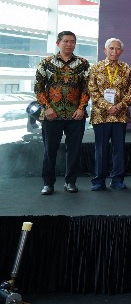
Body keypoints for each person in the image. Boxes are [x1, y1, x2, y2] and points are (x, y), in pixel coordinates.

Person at [35, 30, 91, 195]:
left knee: (74, 151)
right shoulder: (46, 63)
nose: (69, 44)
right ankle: (48, 183)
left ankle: (70, 182)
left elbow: (87, 88)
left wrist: (81, 108)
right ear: (58, 43)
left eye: (72, 41)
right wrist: (47, 108)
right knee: (50, 151)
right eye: (66, 41)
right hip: (51, 115)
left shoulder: (83, 63)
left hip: (76, 115)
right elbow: (38, 88)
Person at [87, 38, 131, 191]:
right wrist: (107, 106)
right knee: (101, 149)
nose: (114, 51)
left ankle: (117, 179)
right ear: (105, 50)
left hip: (120, 115)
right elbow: (92, 90)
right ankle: (99, 180)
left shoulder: (126, 68)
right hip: (101, 115)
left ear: (121, 51)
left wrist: (119, 106)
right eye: (111, 48)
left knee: (118, 149)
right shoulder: (96, 68)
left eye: (117, 49)